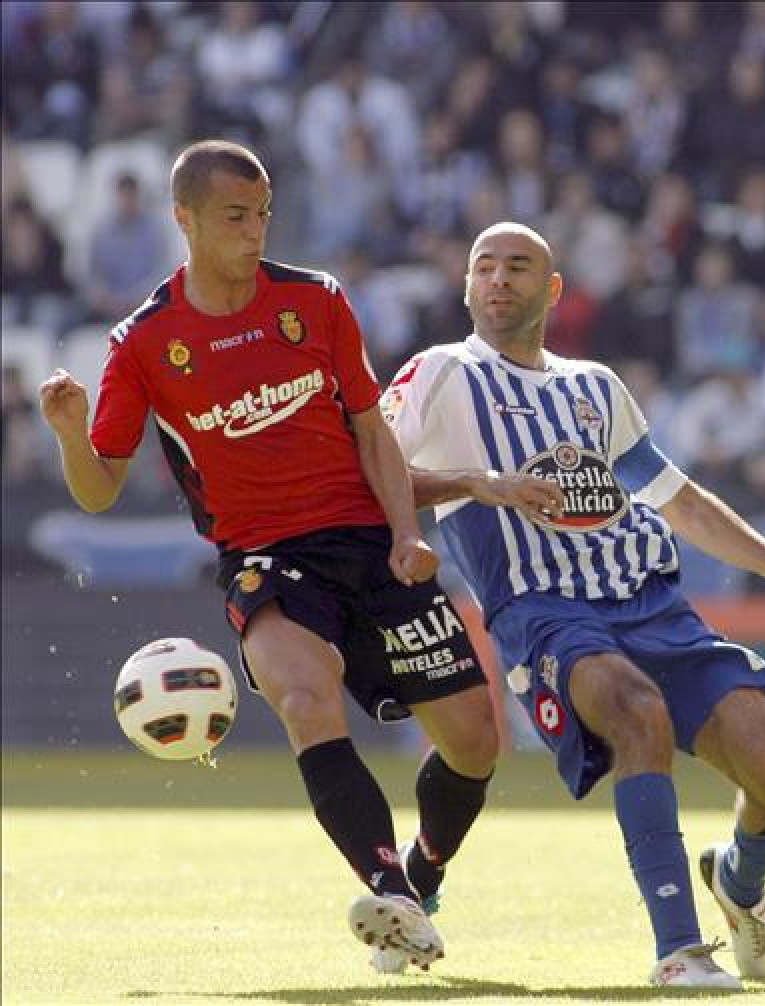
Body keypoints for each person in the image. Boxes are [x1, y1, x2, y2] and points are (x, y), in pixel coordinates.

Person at [38, 140, 500, 974]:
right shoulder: (143, 342)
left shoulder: (315, 301)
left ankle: (421, 878)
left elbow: (372, 428)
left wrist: (404, 534)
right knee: (301, 699)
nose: (255, 233)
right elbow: (99, 488)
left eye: (263, 215)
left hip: (366, 540)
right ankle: (388, 889)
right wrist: (73, 435)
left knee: (474, 743)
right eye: (234, 217)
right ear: (184, 220)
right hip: (264, 557)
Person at [381, 221, 765, 989]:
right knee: (634, 710)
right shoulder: (441, 375)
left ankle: (738, 886)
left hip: (655, 605)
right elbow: (367, 472)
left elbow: (679, 499)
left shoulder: (594, 386)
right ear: (466, 286)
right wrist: (476, 484)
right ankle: (679, 950)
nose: (498, 278)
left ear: (552, 291)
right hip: (545, 610)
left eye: (518, 267)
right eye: (484, 266)